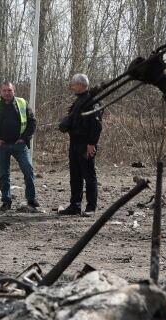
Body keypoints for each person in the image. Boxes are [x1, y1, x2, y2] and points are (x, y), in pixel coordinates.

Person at [0, 81, 38, 211]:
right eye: (4, 90)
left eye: (9, 90)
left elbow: (32, 122)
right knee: (3, 175)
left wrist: (24, 138)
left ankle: (31, 200)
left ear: (14, 91)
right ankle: (6, 201)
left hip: (20, 145)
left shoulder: (22, 103)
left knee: (28, 170)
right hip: (2, 146)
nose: (7, 93)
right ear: (1, 92)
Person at [58, 73, 102, 216]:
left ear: (81, 85)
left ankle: (90, 208)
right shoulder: (79, 101)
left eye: (74, 84)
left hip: (86, 144)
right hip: (75, 143)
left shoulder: (92, 101)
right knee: (75, 176)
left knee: (89, 176)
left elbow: (96, 125)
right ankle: (75, 206)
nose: (72, 87)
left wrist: (91, 143)